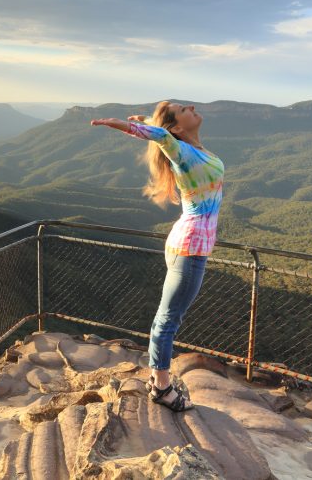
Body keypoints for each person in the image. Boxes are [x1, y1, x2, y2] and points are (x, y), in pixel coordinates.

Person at [90, 101, 224, 411]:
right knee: (168, 319)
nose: (192, 106)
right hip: (189, 247)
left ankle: (159, 380)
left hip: (191, 245)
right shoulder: (180, 151)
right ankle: (162, 388)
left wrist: (148, 120)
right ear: (177, 127)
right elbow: (162, 137)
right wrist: (122, 125)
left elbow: (164, 132)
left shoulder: (194, 149)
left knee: (171, 316)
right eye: (183, 109)